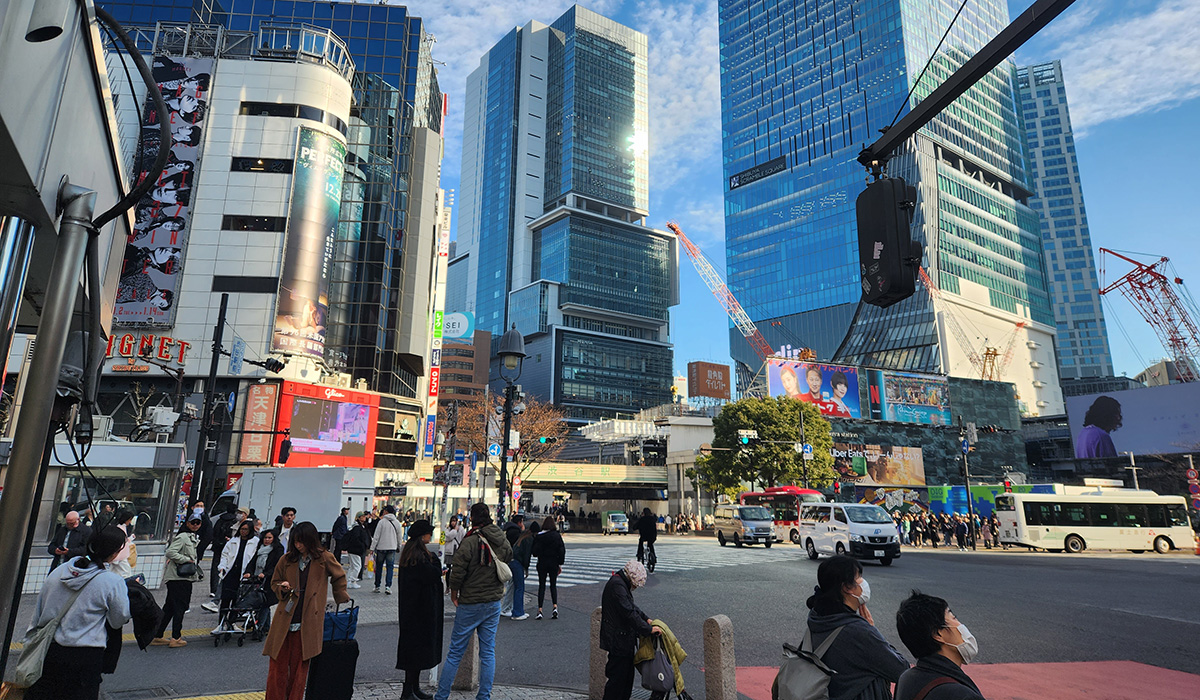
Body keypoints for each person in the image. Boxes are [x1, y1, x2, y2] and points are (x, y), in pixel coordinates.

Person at [23, 526, 131, 700]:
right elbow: (119, 619)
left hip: (50, 650)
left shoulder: (59, 572)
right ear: (114, 552)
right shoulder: (112, 581)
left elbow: (40, 609)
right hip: (86, 656)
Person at [262, 522, 349, 700]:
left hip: (308, 621)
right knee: (276, 667)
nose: (298, 545)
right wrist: (282, 588)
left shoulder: (323, 558)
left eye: (301, 541)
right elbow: (274, 581)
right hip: (285, 618)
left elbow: (339, 575)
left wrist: (340, 595)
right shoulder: (287, 559)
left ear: (310, 540)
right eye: (295, 541)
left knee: (299, 670)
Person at [434, 503, 511, 700]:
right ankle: (484, 696)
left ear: (472, 518)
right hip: (493, 600)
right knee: (487, 653)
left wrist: (453, 592)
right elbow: (509, 555)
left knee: (455, 652)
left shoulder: (470, 541)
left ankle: (441, 696)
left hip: (470, 601)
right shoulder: (500, 537)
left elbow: (457, 570)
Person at [804, 555, 908, 700]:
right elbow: (901, 670)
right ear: (847, 587)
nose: (863, 583)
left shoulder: (817, 617)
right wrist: (872, 629)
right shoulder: (857, 631)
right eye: (859, 577)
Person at [894, 591, 985, 700]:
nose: (961, 625)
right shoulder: (962, 695)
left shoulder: (906, 679)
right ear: (938, 634)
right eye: (954, 618)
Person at [599, 560, 661, 700]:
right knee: (617, 682)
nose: (635, 587)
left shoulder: (620, 583)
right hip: (618, 641)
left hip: (623, 640)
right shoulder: (617, 586)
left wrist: (647, 619)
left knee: (626, 680)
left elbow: (632, 608)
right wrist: (648, 629)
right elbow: (629, 612)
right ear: (632, 578)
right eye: (635, 585)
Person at [396, 520, 443, 700]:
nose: (430, 536)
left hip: (413, 611)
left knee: (414, 651)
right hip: (418, 612)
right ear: (423, 535)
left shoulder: (412, 553)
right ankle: (408, 690)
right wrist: (437, 564)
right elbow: (432, 574)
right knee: (415, 652)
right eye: (428, 533)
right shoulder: (418, 557)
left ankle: (413, 688)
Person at [152, 515, 202, 647]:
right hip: (179, 578)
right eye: (193, 522)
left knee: (169, 607)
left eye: (198, 523)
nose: (196, 525)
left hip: (179, 578)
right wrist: (186, 560)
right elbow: (170, 552)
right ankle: (176, 637)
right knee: (180, 607)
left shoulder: (191, 537)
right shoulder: (183, 537)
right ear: (188, 523)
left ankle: (157, 635)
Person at [215, 520, 259, 633]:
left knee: (237, 601)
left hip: (244, 575)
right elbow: (224, 555)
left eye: (246, 530)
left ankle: (232, 622)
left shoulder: (255, 542)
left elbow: (254, 559)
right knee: (225, 600)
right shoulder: (233, 541)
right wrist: (222, 567)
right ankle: (221, 623)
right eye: (242, 529)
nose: (243, 532)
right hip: (230, 573)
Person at [248, 529, 285, 634]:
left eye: (269, 538)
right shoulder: (260, 549)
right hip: (258, 580)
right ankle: (266, 628)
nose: (267, 540)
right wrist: (248, 572)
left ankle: (260, 627)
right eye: (265, 538)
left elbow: (277, 566)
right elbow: (252, 562)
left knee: (265, 603)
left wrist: (266, 574)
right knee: (264, 604)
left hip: (270, 581)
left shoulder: (278, 549)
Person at [532, 515, 566, 620]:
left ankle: (540, 610)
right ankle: (554, 607)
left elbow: (535, 552)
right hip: (553, 563)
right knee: (553, 585)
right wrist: (560, 563)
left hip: (542, 563)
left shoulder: (539, 536)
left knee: (541, 586)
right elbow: (562, 550)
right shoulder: (556, 536)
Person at [208, 503, 239, 599]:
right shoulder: (235, 522)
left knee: (215, 567)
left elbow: (214, 532)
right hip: (229, 547)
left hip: (217, 546)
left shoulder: (220, 520)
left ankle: (213, 589)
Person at [371, 505, 405, 594]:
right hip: (392, 547)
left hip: (381, 548)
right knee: (390, 567)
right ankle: (388, 586)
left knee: (379, 567)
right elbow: (399, 537)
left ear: (386, 512)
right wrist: (398, 546)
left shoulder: (381, 522)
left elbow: (376, 536)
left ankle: (377, 586)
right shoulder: (397, 523)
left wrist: (372, 547)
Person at [501, 514, 525, 617]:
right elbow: (518, 547)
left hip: (508, 559)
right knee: (517, 585)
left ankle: (506, 607)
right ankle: (512, 610)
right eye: (522, 522)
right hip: (514, 560)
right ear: (519, 523)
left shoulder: (508, 530)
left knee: (511, 584)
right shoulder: (516, 532)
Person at [341, 511, 371, 589]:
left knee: (352, 566)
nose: (365, 518)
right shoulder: (357, 527)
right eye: (363, 516)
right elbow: (356, 539)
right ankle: (352, 581)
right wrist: (362, 546)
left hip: (352, 549)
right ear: (359, 518)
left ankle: (348, 580)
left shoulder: (357, 526)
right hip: (356, 550)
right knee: (357, 566)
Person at [107, 509, 137, 578]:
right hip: (121, 554)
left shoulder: (119, 526)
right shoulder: (122, 527)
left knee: (113, 570)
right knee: (126, 571)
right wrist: (131, 538)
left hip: (116, 554)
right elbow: (123, 540)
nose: (130, 522)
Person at [442, 514, 465, 591]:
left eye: (454, 521)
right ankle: (448, 586)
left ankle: (455, 587)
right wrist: (454, 530)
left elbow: (463, 538)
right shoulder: (448, 529)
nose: (453, 523)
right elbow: (447, 537)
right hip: (449, 551)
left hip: (457, 550)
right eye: (452, 521)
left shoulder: (461, 529)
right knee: (448, 569)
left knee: (457, 569)